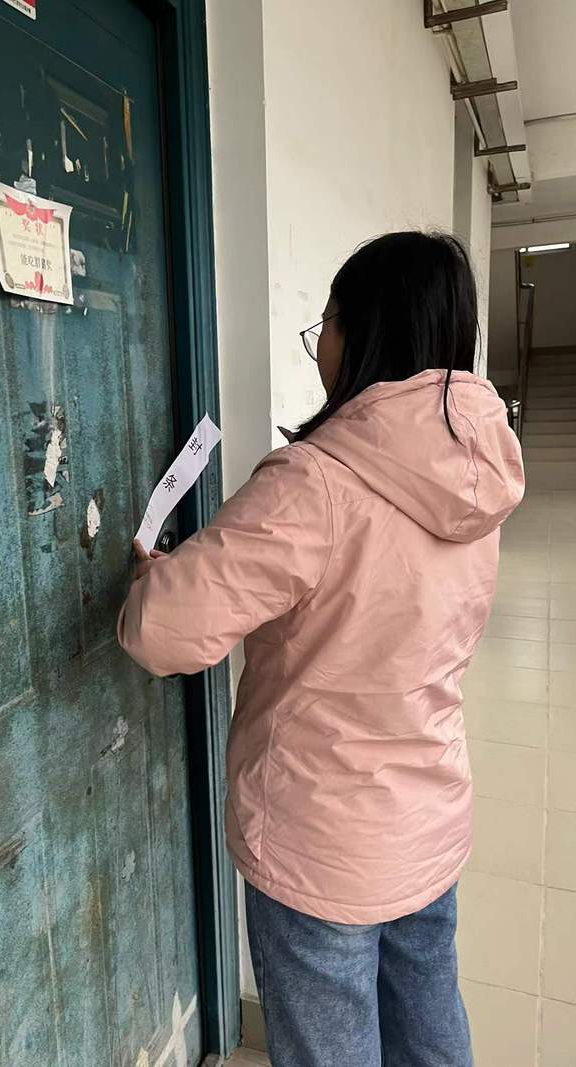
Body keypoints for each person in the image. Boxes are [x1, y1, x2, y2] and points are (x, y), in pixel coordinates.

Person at [117, 231, 525, 1066]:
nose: (321, 345)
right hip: (427, 814)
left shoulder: (314, 483)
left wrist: (156, 580)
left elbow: (159, 632)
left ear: (362, 332)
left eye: (327, 323)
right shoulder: (478, 471)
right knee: (427, 1022)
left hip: (322, 841)